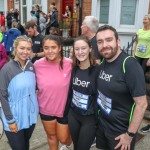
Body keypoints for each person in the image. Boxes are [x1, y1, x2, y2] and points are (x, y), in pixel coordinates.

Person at [95, 25, 148, 150]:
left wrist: (129, 135)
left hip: (120, 133)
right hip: (103, 126)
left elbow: (142, 104)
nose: (104, 45)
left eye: (109, 40)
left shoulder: (130, 65)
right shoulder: (103, 63)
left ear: (118, 42)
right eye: (100, 42)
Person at [0, 35, 39, 150]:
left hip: (30, 116)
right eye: (22, 48)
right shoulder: (6, 69)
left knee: (25, 145)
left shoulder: (31, 66)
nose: (25, 52)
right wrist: (10, 120)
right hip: (13, 117)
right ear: (15, 48)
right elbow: (3, 96)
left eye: (28, 49)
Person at [34, 35, 72, 150]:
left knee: (64, 139)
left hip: (64, 109)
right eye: (46, 48)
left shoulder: (70, 64)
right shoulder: (37, 65)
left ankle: (67, 145)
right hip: (46, 108)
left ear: (60, 47)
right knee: (51, 136)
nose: (50, 51)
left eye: (53, 47)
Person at [64, 35, 99, 150]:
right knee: (76, 146)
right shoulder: (73, 68)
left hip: (89, 119)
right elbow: (70, 93)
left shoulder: (98, 71)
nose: (80, 52)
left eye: (83, 48)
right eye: (77, 49)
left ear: (90, 49)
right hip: (73, 115)